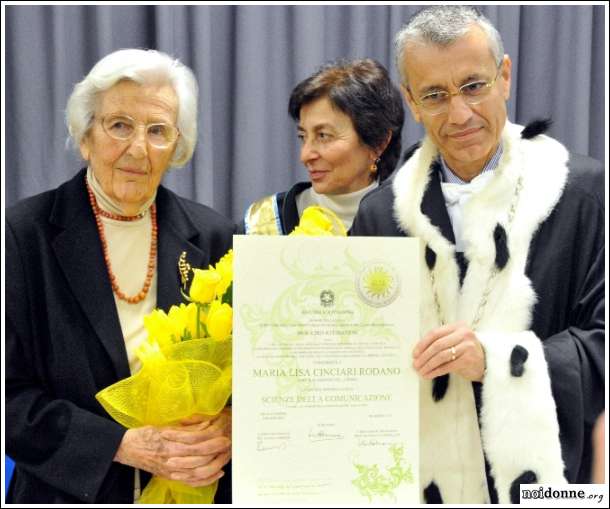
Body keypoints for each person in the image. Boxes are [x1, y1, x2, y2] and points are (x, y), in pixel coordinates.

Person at [350, 6, 604, 504]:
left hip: (550, 486)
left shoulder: (585, 194)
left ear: (504, 77)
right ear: (412, 102)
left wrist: (497, 359)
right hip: (415, 484)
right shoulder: (380, 215)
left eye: (473, 86)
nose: (460, 114)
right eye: (435, 96)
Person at [6, 49, 235, 504]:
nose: (138, 148)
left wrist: (228, 421)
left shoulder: (212, 234)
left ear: (177, 146)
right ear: (86, 134)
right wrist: (120, 445)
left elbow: (252, 370)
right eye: (119, 125)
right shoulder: (20, 235)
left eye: (157, 131)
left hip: (196, 486)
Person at [243, 58, 404, 234]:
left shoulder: (412, 225)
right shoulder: (265, 224)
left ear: (378, 143)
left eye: (323, 136)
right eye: (303, 136)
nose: (305, 156)